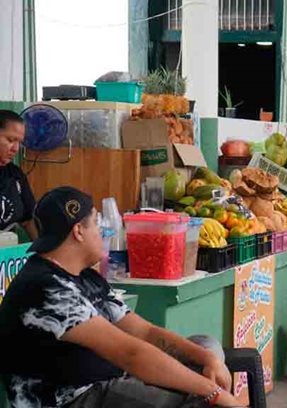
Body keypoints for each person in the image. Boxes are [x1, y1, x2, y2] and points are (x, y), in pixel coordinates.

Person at [0, 187, 242, 407]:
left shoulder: (86, 277)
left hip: (109, 380)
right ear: (78, 232)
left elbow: (145, 333)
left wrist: (208, 359)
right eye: (96, 223)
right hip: (75, 398)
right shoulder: (44, 288)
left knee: (205, 347)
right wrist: (213, 392)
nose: (102, 231)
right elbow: (130, 354)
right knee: (197, 397)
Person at [0, 110, 38, 240]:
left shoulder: (15, 175)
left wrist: (44, 253)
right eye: (11, 140)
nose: (16, 148)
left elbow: (28, 220)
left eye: (19, 142)